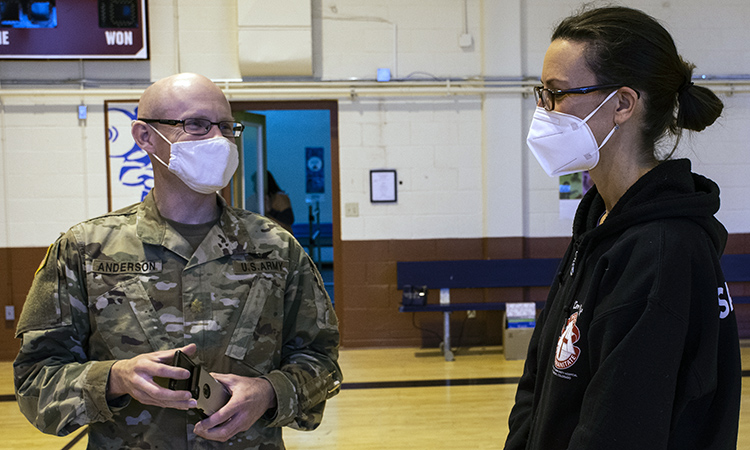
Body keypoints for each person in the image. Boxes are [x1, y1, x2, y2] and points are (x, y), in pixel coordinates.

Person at [14, 73, 342, 449]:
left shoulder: (275, 248)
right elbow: (35, 381)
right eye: (197, 125)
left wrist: (269, 392)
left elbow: (321, 361)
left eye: (225, 127)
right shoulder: (85, 250)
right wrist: (116, 377)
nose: (218, 140)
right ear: (145, 137)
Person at [505, 6, 740, 449]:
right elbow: (537, 383)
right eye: (542, 93)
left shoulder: (662, 248)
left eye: (557, 94)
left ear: (623, 104)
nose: (544, 111)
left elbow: (619, 427)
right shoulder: (598, 222)